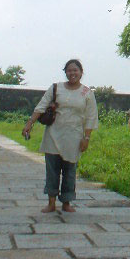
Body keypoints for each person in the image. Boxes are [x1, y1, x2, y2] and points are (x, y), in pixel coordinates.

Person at [22, 59, 98, 213]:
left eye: (75, 70)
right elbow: (41, 106)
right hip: (53, 135)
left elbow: (91, 117)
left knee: (70, 171)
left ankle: (66, 202)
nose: (72, 73)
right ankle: (51, 203)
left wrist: (87, 138)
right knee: (52, 170)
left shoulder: (87, 93)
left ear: (81, 72)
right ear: (65, 72)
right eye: (69, 70)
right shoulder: (56, 88)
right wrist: (29, 123)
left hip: (74, 137)